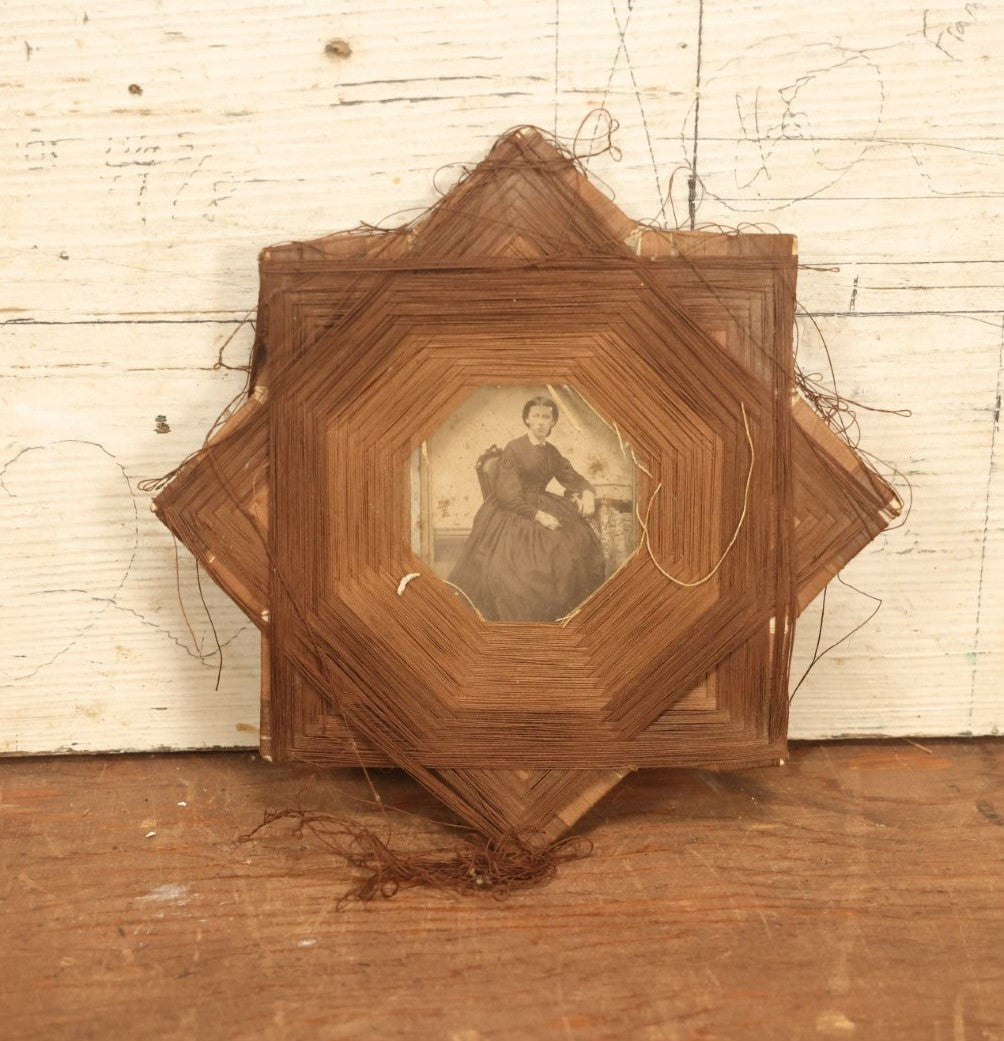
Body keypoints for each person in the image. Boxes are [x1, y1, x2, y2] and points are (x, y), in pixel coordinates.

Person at [449, 395, 606, 622]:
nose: (541, 421)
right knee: (532, 560)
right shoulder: (514, 448)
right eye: (536, 416)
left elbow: (573, 478)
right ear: (527, 420)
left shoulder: (552, 451)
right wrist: (539, 516)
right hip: (513, 509)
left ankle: (562, 610)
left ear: (553, 422)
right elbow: (507, 494)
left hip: (542, 500)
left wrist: (588, 493)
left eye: (546, 417)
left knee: (573, 542)